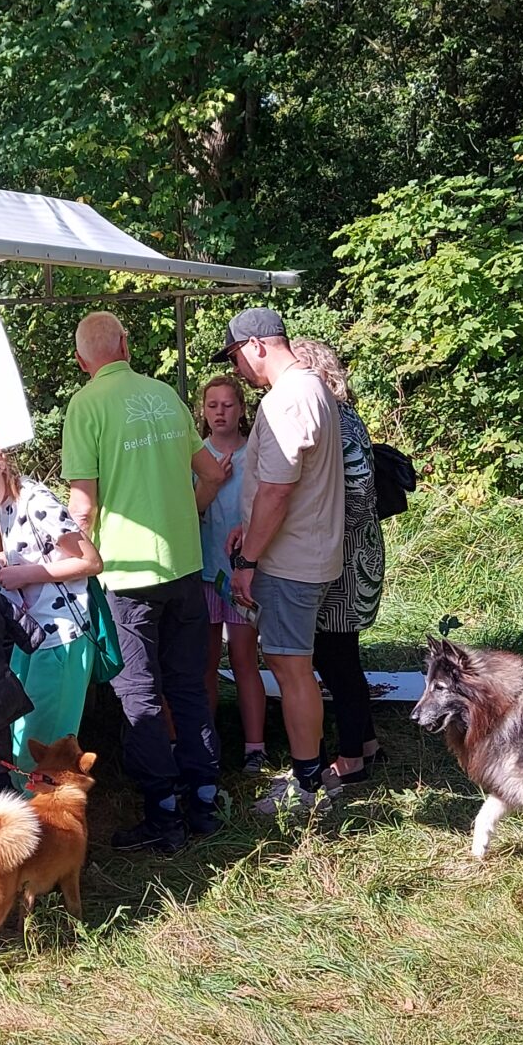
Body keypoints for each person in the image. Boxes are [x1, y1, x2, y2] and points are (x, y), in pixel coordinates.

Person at [60, 310, 221, 852]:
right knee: (188, 684)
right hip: (185, 565)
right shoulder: (166, 395)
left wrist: (68, 558)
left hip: (126, 574)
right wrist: (184, 515)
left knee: (139, 694)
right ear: (126, 345)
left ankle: (162, 813)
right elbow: (212, 473)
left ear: (81, 360)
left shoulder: (86, 405)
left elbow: (83, 506)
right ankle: (204, 800)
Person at [217, 309, 346, 817]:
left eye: (236, 356)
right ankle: (314, 773)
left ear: (256, 346)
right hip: (305, 550)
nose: (238, 369)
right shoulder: (314, 388)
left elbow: (278, 490)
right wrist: (247, 524)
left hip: (290, 560)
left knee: (291, 671)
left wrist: (248, 558)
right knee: (296, 668)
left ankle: (307, 788)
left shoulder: (287, 398)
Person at [0, 421, 104, 764]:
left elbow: (90, 562)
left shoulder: (37, 503)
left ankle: (41, 799)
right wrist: (4, 562)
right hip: (32, 634)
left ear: (0, 463)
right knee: (24, 742)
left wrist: (24, 574)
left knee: (44, 750)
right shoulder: (4, 504)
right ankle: (28, 797)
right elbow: (38, 553)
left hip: (61, 637)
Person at [290, 339, 388, 786]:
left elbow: (361, 491)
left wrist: (326, 531)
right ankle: (366, 743)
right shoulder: (344, 417)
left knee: (335, 659)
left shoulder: (338, 423)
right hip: (353, 550)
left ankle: (351, 759)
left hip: (344, 557)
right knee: (342, 655)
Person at [191, 375, 269, 773]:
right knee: (204, 663)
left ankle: (255, 746)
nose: (220, 412)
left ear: (241, 409)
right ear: (203, 412)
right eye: (212, 406)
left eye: (227, 405)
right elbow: (189, 511)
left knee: (243, 659)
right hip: (204, 573)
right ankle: (208, 746)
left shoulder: (255, 452)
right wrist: (211, 482)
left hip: (243, 576)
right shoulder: (194, 455)